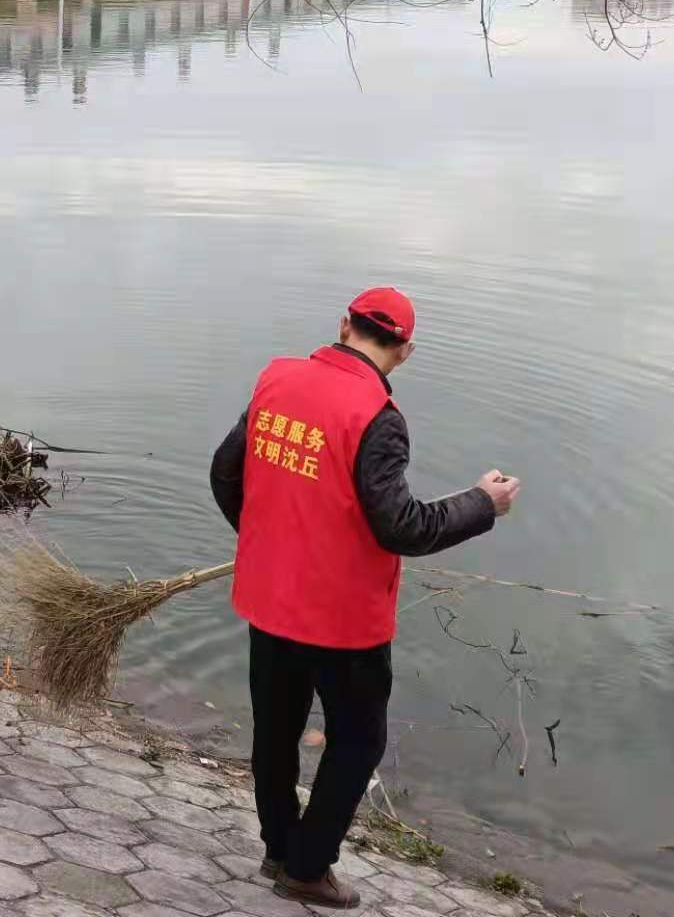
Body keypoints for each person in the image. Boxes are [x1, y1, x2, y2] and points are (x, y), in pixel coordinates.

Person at [208, 286, 521, 909]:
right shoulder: (378, 415)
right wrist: (483, 503)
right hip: (341, 621)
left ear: (344, 324)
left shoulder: (276, 379)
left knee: (276, 729)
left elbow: (225, 473)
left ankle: (278, 848)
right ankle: (306, 869)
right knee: (358, 741)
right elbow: (401, 527)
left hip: (269, 599)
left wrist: (269, 544)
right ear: (405, 351)